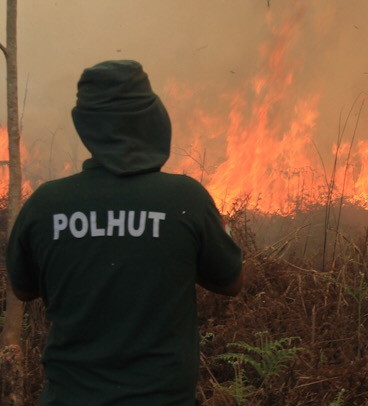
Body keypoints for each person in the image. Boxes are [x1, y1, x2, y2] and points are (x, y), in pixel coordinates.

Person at [5, 60, 244, 405]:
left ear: (87, 126)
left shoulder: (45, 204)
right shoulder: (185, 199)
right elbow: (231, 282)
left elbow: (23, 289)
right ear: (151, 121)